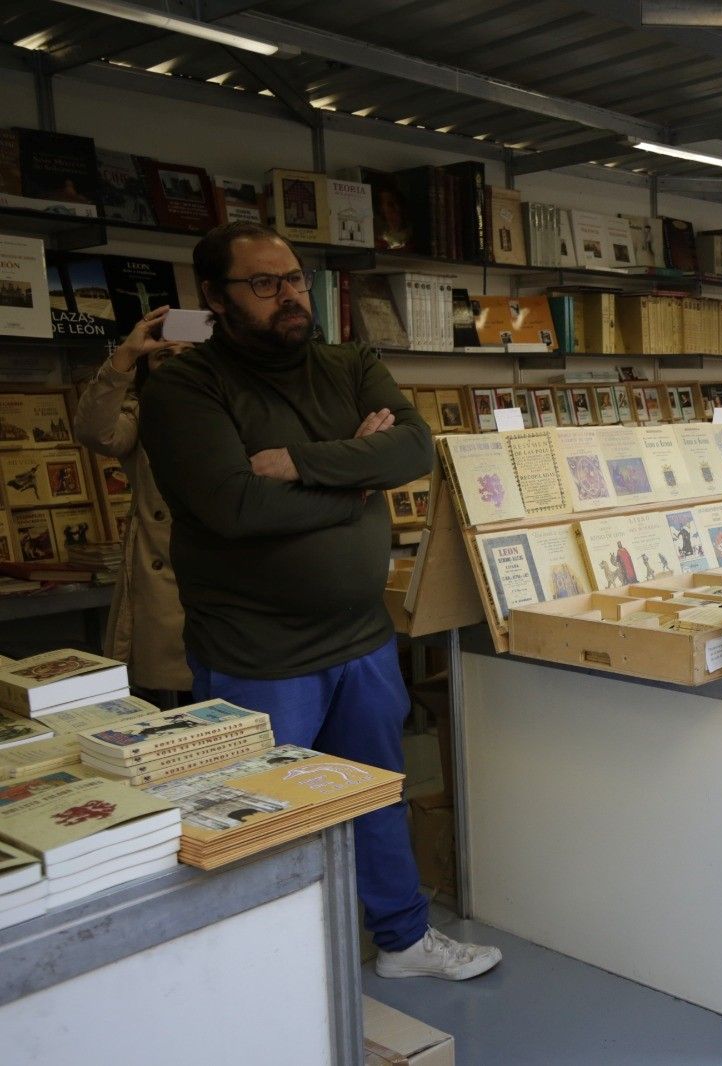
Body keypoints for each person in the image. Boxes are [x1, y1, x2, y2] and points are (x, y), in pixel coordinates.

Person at [140, 221, 501, 981]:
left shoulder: (348, 361)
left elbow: (409, 448)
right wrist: (354, 483)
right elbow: (233, 508)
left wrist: (303, 466)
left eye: (295, 279)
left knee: (377, 797)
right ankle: (278, 978)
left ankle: (401, 941)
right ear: (214, 296)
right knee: (265, 825)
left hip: (363, 639)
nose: (290, 296)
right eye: (264, 284)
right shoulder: (185, 385)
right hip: (256, 655)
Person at [73, 307, 192, 704]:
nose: (174, 365)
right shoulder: (142, 417)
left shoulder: (240, 413)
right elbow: (94, 431)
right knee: (165, 714)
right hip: (162, 593)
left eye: (185, 355)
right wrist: (126, 354)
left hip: (227, 584)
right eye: (161, 357)